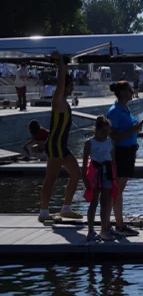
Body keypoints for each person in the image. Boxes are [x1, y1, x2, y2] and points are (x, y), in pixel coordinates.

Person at [38, 52, 82, 222]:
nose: (72, 89)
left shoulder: (63, 101)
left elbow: (63, 83)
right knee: (51, 179)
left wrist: (65, 64)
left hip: (62, 146)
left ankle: (66, 208)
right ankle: (43, 213)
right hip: (55, 146)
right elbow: (60, 83)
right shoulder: (58, 100)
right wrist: (61, 65)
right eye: (71, 86)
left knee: (76, 175)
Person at [106, 81, 143, 236]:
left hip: (129, 151)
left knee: (119, 189)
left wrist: (134, 132)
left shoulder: (125, 109)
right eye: (129, 90)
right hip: (120, 152)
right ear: (121, 93)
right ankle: (118, 224)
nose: (132, 92)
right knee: (117, 189)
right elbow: (111, 135)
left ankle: (118, 222)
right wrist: (132, 131)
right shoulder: (114, 111)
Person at [82, 116, 119, 241]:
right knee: (94, 202)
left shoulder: (110, 142)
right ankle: (91, 230)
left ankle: (105, 229)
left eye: (107, 132)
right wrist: (85, 179)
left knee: (106, 202)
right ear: (96, 130)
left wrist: (115, 176)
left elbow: (113, 160)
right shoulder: (89, 143)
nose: (105, 134)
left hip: (107, 172)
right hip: (95, 172)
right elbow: (84, 163)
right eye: (103, 131)